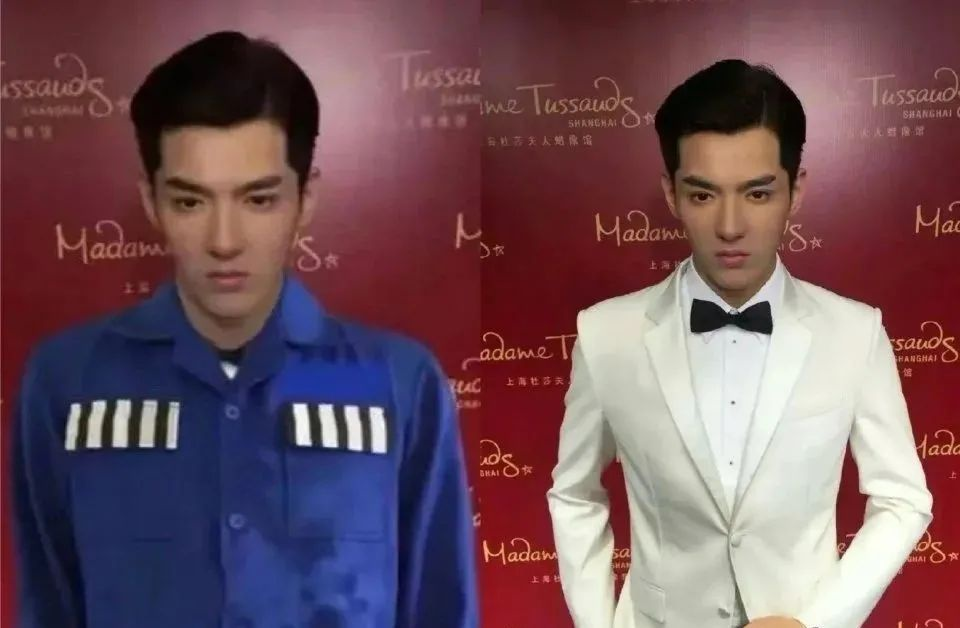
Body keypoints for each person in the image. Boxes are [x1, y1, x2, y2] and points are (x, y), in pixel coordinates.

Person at [11, 31, 478, 628]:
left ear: (305, 199)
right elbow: (47, 601)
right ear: (151, 203)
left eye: (258, 200)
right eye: (190, 202)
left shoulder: (399, 383)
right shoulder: (67, 382)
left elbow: (440, 606)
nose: (224, 241)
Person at [547, 59, 932, 628]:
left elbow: (904, 499)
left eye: (757, 193)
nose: (730, 225)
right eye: (703, 195)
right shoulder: (606, 335)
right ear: (672, 194)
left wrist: (817, 622)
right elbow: (575, 495)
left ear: (795, 191)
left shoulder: (856, 333)